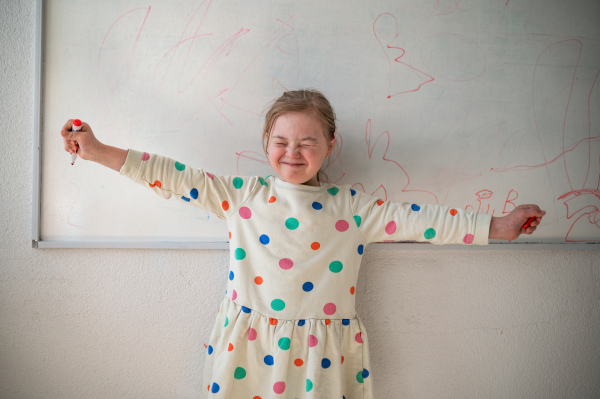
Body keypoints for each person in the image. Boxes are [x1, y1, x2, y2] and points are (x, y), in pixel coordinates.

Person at [61, 89, 545, 398]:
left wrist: (499, 225)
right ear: (266, 141)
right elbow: (167, 174)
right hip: (249, 347)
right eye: (281, 141)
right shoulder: (241, 195)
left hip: (322, 355)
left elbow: (425, 221)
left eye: (307, 142)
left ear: (331, 144)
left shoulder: (353, 208)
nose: (292, 153)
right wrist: (97, 149)